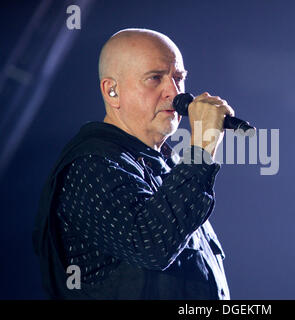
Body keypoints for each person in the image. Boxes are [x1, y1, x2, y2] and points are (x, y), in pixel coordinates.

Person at [32, 28, 234, 299]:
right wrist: (203, 149)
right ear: (112, 90)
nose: (174, 94)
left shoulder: (166, 167)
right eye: (155, 78)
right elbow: (152, 245)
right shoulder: (92, 165)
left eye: (178, 78)